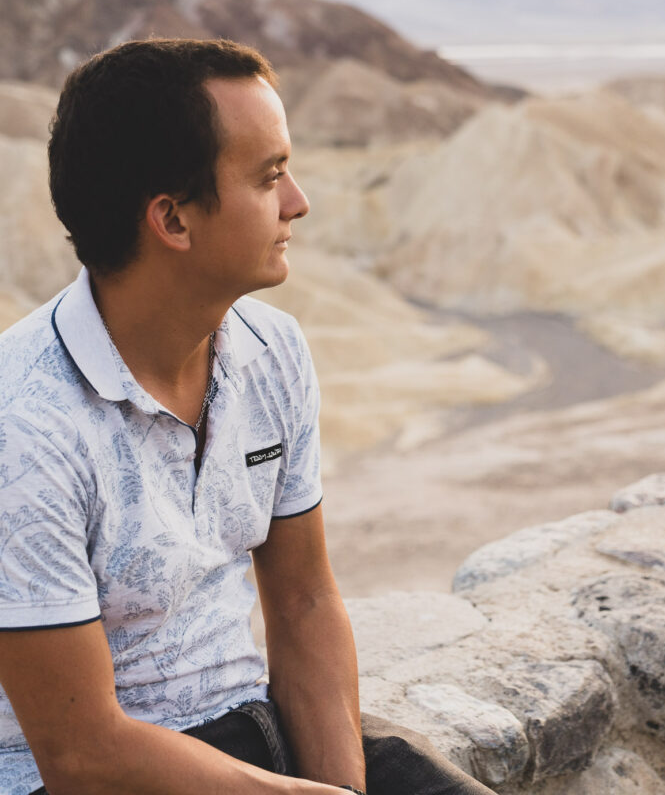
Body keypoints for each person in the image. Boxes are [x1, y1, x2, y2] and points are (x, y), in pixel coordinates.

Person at [0, 39, 492, 795]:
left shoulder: (273, 352)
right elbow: (83, 755)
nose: (297, 201)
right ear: (172, 219)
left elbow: (303, 601)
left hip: (251, 738)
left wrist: (341, 789)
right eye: (269, 177)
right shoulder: (25, 424)